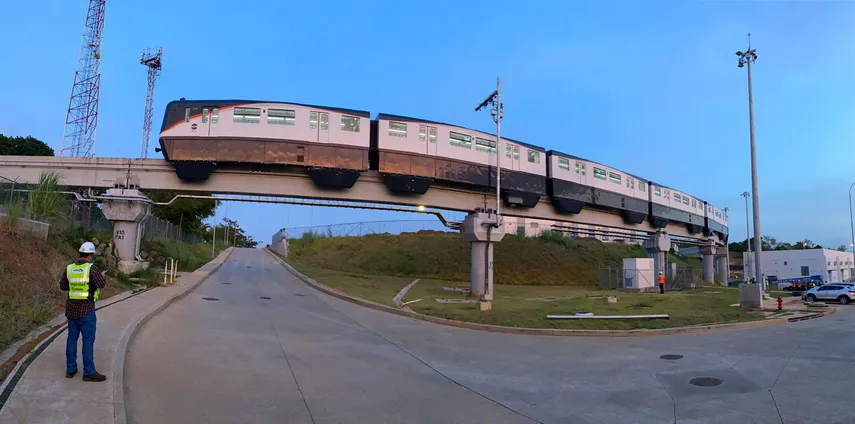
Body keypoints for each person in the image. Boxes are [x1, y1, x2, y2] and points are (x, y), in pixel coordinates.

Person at [59, 242, 107, 382]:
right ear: (90, 255)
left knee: (72, 339)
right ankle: (89, 372)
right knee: (88, 341)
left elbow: (63, 286)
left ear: (80, 253)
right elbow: (101, 284)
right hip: (86, 310)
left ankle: (70, 369)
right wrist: (101, 276)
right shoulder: (92, 269)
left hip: (71, 310)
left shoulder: (69, 268)